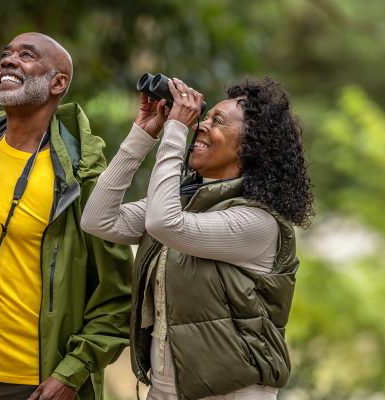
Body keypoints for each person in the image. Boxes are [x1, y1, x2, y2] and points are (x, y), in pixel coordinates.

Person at [0, 32, 132, 400]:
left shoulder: (81, 177)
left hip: (33, 385)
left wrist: (71, 374)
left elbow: (116, 297)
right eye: (6, 53)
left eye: (26, 55)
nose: (8, 60)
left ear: (58, 83)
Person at [81, 77, 314, 399]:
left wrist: (175, 128)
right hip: (167, 385)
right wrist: (143, 134)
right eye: (204, 118)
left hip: (232, 392)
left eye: (216, 121)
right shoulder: (188, 201)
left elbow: (165, 224)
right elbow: (98, 220)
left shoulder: (258, 222)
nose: (200, 126)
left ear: (251, 146)